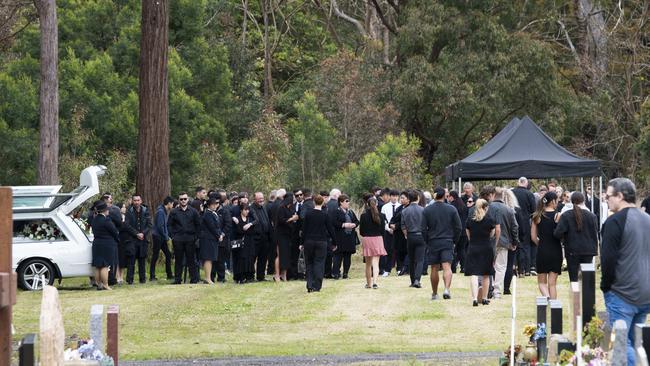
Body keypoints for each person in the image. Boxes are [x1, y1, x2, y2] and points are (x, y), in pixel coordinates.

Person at [600, 178, 650, 366]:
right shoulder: (648, 219)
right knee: (637, 342)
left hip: (622, 292)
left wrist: (606, 286)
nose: (606, 200)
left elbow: (608, 259)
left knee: (621, 345)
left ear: (620, 196)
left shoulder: (614, 222)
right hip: (645, 291)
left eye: (608, 196)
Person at [422, 187, 462, 300]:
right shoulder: (451, 209)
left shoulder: (427, 210)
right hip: (447, 240)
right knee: (447, 266)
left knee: (434, 268)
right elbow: (458, 227)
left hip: (433, 241)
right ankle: (446, 289)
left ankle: (434, 293)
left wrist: (427, 241)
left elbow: (423, 229)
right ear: (445, 195)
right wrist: (455, 240)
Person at [553, 192, 598, 283]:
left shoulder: (566, 215)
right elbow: (595, 232)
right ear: (583, 200)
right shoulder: (592, 216)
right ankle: (587, 297)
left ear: (572, 201)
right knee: (586, 280)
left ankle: (576, 297)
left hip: (572, 250)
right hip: (588, 250)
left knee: (574, 280)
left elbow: (558, 233)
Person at [465, 199, 498, 306]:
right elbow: (492, 234)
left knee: (474, 274)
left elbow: (468, 235)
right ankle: (484, 298)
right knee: (486, 274)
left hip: (473, 247)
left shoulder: (470, 220)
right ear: (486, 207)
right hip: (486, 247)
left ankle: (474, 298)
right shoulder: (490, 220)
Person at [301, 195, 336, 292]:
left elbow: (304, 229)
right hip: (321, 242)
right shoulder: (325, 215)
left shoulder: (308, 214)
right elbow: (330, 230)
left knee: (309, 263)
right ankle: (317, 285)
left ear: (313, 202)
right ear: (323, 203)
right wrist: (334, 242)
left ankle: (309, 284)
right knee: (319, 263)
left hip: (309, 241)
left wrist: (301, 243)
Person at [531, 191, 562, 299]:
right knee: (552, 284)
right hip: (556, 250)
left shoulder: (537, 216)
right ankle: (554, 307)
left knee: (541, 283)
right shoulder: (558, 215)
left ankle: (546, 296)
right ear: (553, 201)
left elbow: (533, 237)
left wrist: (541, 243)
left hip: (542, 250)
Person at [491, 188, 519, 299]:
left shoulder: (488, 208)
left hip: (490, 240)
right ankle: (497, 291)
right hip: (504, 242)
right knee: (501, 267)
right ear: (503, 196)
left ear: (493, 196)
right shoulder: (509, 210)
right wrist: (515, 241)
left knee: (490, 265)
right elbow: (514, 228)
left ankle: (490, 287)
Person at [168, 192, 202, 284]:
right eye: (181, 199)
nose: (183, 201)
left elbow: (198, 225)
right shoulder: (174, 212)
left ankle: (194, 279)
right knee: (178, 260)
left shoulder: (193, 211)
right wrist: (173, 236)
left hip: (190, 239)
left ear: (188, 199)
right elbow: (169, 225)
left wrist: (196, 237)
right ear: (179, 200)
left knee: (191, 259)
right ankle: (178, 279)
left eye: (185, 199)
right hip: (178, 239)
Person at [90, 200, 120, 291]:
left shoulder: (94, 220)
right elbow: (114, 231)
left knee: (97, 265)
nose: (108, 211)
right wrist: (117, 238)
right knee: (104, 265)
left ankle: (99, 284)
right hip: (106, 244)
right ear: (104, 210)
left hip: (96, 243)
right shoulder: (106, 220)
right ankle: (106, 285)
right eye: (107, 209)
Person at [359, 197, 387, 289]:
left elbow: (361, 231)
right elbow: (383, 231)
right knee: (376, 263)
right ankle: (375, 282)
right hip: (378, 239)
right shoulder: (381, 215)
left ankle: (369, 283)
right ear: (377, 204)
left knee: (368, 264)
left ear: (367, 204)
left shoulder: (363, 216)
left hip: (367, 239)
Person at [124, 195, 152, 284]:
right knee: (131, 261)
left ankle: (142, 279)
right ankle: (130, 280)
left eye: (138, 200)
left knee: (142, 260)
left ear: (141, 201)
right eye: (135, 200)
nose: (136, 202)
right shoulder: (129, 211)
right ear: (132, 201)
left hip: (143, 239)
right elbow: (127, 225)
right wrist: (136, 234)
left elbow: (149, 224)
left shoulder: (145, 211)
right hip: (132, 239)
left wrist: (143, 233)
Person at [512, 177, 536, 276]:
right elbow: (534, 210)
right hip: (525, 222)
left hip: (513, 220)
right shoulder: (529, 194)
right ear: (526, 183)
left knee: (513, 244)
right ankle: (526, 269)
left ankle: (514, 268)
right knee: (525, 245)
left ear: (518, 182)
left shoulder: (512, 192)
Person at [401, 190, 425, 288]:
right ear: (418, 198)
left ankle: (412, 281)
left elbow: (403, 226)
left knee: (411, 259)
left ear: (409, 199)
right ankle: (417, 279)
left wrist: (406, 235)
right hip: (421, 235)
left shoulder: (404, 210)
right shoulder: (423, 210)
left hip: (410, 235)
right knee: (420, 259)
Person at [332, 194, 359, 279]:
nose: (348, 203)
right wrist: (344, 224)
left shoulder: (350, 212)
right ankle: (336, 273)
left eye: (348, 201)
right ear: (341, 202)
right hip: (340, 237)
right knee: (338, 256)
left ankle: (345, 273)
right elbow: (334, 223)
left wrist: (354, 224)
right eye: (346, 201)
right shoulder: (336, 211)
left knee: (348, 256)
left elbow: (357, 221)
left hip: (349, 237)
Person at [199, 198, 224, 284]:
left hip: (213, 239)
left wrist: (221, 234)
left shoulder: (214, 214)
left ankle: (208, 277)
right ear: (209, 205)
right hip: (207, 239)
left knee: (211, 258)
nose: (215, 205)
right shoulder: (208, 214)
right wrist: (218, 235)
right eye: (213, 204)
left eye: (216, 204)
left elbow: (218, 226)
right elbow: (212, 226)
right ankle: (207, 278)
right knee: (208, 258)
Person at [274, 195, 299, 281]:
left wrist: (294, 218)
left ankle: (283, 274)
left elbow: (294, 217)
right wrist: (292, 218)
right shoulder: (281, 208)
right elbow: (281, 220)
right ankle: (277, 274)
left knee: (287, 255)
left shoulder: (291, 208)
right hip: (281, 234)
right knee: (280, 254)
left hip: (289, 234)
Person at [232, 203, 257, 283]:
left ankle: (249, 276)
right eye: (245, 210)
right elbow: (239, 231)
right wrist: (239, 225)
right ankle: (240, 277)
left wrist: (249, 226)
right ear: (241, 210)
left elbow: (252, 229)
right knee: (241, 259)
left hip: (249, 241)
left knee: (250, 258)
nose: (247, 211)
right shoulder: (237, 219)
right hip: (241, 242)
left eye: (248, 210)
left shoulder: (250, 219)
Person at [151, 196, 174, 281]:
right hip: (158, 236)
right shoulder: (161, 211)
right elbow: (160, 226)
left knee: (168, 254)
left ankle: (169, 274)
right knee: (155, 255)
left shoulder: (164, 211)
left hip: (161, 236)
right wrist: (166, 237)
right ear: (168, 203)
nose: (172, 206)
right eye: (172, 204)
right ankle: (152, 276)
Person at [250, 192, 272, 282]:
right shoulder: (251, 209)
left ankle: (261, 276)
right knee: (253, 258)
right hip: (255, 238)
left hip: (265, 237)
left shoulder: (264, 207)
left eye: (262, 198)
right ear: (254, 199)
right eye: (259, 198)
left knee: (263, 258)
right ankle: (250, 276)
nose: (261, 200)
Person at [380, 189, 399, 276]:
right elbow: (383, 221)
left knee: (398, 250)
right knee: (388, 250)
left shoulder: (400, 206)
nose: (394, 198)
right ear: (390, 196)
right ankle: (387, 270)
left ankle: (399, 269)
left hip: (398, 231)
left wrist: (395, 228)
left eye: (396, 196)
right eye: (393, 196)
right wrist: (388, 229)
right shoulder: (385, 207)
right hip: (387, 232)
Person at [448, 191, 468, 273]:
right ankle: (463, 267)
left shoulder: (451, 207)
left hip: (455, 231)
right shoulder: (463, 205)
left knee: (453, 250)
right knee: (462, 250)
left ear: (452, 197)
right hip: (464, 231)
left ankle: (453, 268)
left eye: (448, 196)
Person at [391, 192, 409, 276]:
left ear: (408, 199)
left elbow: (405, 222)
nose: (401, 200)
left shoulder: (409, 209)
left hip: (405, 234)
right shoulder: (398, 208)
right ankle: (399, 268)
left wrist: (396, 226)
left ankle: (405, 269)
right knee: (398, 252)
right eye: (400, 198)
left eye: (403, 198)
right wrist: (390, 224)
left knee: (406, 251)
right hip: (397, 235)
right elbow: (393, 218)